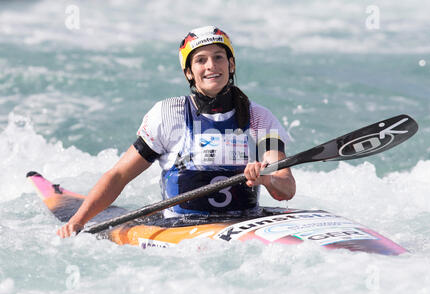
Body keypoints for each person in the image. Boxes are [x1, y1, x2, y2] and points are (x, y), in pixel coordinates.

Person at [57, 26, 296, 238]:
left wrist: (265, 179)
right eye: (201, 60)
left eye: (219, 57)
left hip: (244, 223)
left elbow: (286, 189)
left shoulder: (259, 118)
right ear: (189, 72)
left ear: (231, 64)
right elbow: (119, 175)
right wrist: (78, 221)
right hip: (181, 227)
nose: (211, 65)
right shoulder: (169, 115)